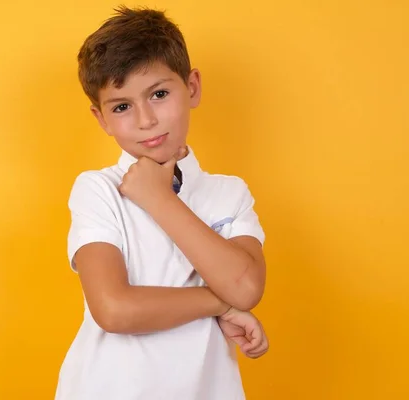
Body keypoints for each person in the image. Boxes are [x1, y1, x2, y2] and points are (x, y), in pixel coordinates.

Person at [55, 6, 269, 400]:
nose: (146, 119)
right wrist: (220, 303)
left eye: (158, 94)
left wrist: (158, 199)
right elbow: (115, 310)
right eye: (121, 106)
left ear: (192, 87)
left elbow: (246, 287)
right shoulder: (97, 190)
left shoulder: (229, 193)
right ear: (101, 118)